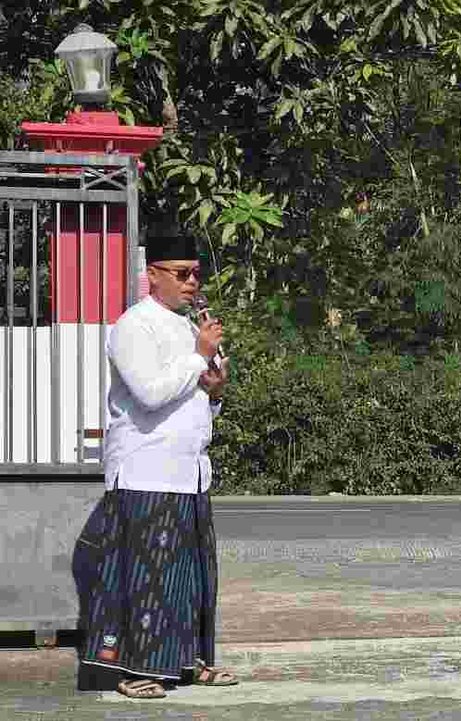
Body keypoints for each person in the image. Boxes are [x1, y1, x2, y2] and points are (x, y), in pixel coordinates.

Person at [72, 221, 237, 699]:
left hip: (189, 474)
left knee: (193, 577)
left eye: (197, 274)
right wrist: (197, 356)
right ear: (154, 275)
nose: (192, 283)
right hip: (146, 471)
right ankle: (129, 670)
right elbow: (148, 394)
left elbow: (195, 399)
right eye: (182, 273)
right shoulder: (132, 326)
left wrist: (215, 390)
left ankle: (189, 663)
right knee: (145, 576)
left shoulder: (189, 327)